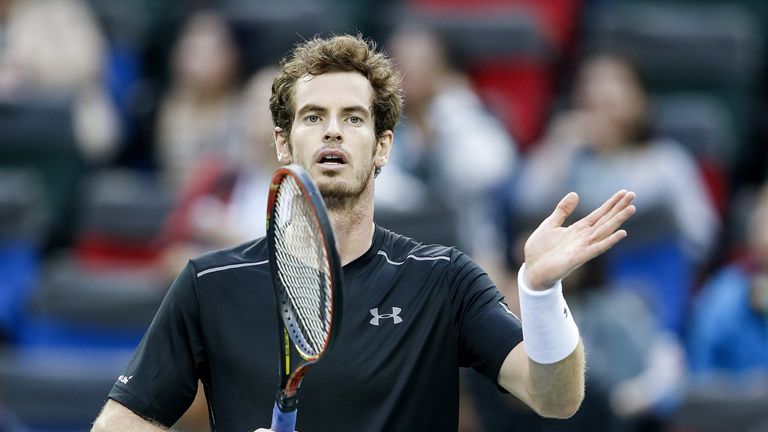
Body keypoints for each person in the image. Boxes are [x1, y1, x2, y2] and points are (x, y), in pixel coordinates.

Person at [90, 34, 636, 431]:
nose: (333, 129)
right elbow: (118, 425)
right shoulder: (211, 284)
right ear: (283, 143)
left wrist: (541, 293)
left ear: (383, 147)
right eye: (313, 116)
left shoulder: (443, 279)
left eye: (353, 117)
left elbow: (556, 398)